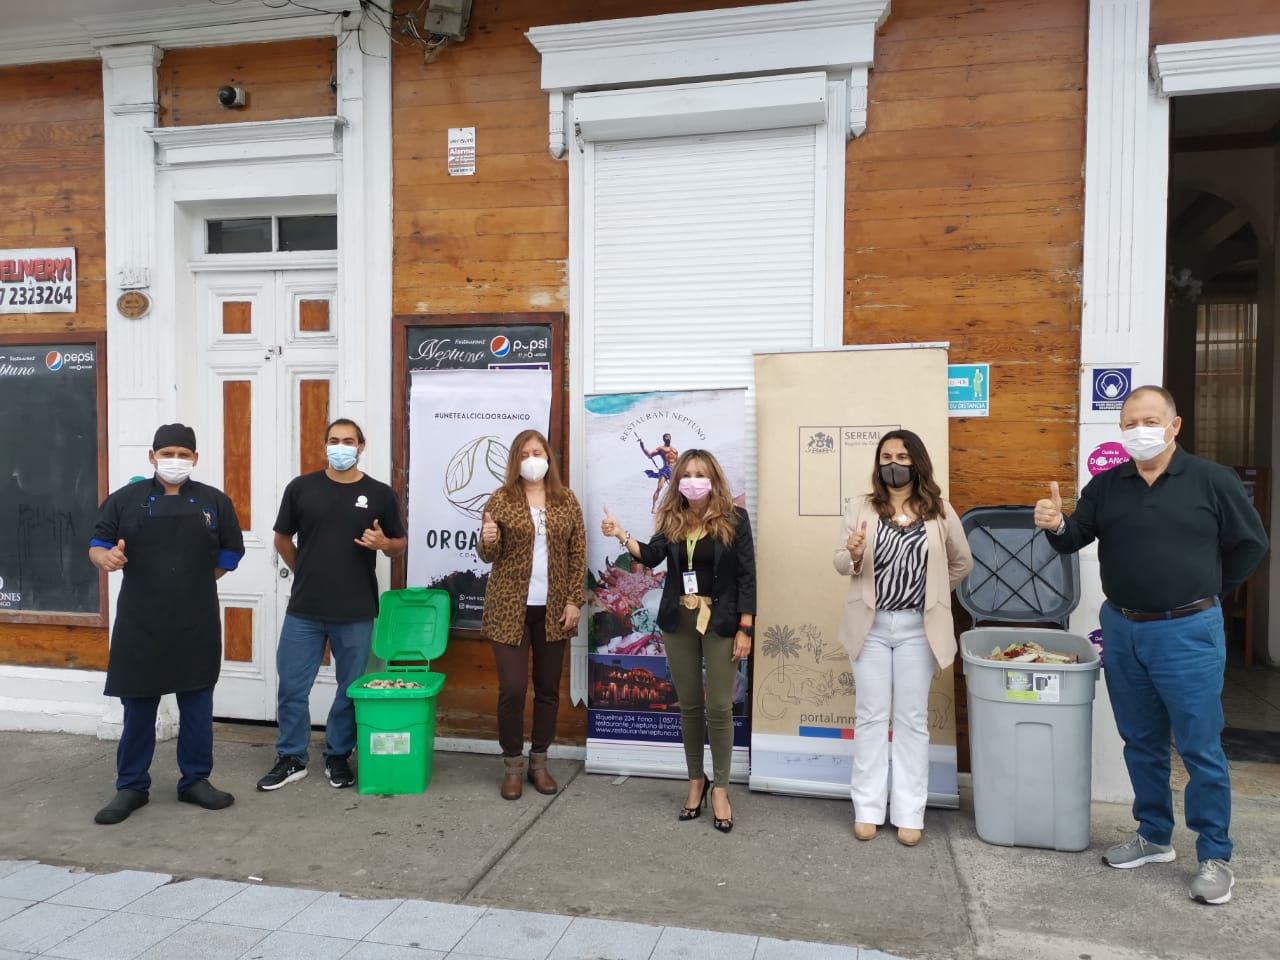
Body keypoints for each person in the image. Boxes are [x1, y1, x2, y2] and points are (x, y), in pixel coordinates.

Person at [1034, 385, 1267, 905]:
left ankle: (1214, 855)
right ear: (1121, 430)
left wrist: (1208, 592)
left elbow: (1252, 543)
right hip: (1122, 628)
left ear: (1174, 425)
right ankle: (1154, 835)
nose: (1140, 429)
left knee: (1200, 747)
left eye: (1150, 420)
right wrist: (1055, 525)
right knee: (1140, 740)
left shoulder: (1212, 480)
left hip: (1188, 631)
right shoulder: (1107, 484)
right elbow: (1075, 537)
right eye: (1130, 422)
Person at [88, 423, 244, 825]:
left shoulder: (214, 501)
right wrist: (103, 558)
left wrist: (198, 579)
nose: (175, 460)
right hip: (141, 620)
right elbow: (98, 543)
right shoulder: (125, 500)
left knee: (196, 704)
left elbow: (231, 550)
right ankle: (131, 785)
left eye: (183, 453)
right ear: (152, 456)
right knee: (138, 706)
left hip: (196, 619)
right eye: (167, 452)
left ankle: (195, 780)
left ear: (195, 458)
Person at [601, 449, 755, 833]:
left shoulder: (736, 519)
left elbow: (747, 576)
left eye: (701, 473)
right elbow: (652, 558)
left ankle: (721, 788)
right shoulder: (672, 518)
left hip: (720, 620)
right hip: (678, 620)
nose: (694, 480)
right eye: (687, 474)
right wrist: (622, 534)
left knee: (719, 707)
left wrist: (745, 628)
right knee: (689, 706)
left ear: (714, 478)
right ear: (679, 482)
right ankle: (695, 781)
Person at [833, 430, 972, 847]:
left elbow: (961, 562)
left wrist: (929, 593)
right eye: (887, 456)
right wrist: (854, 552)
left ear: (918, 462)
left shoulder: (940, 510)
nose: (894, 462)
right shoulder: (860, 506)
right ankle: (868, 809)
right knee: (871, 717)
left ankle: (910, 811)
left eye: (903, 455)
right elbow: (841, 562)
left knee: (912, 721)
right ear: (878, 463)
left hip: (917, 629)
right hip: (871, 629)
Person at [257, 418, 407, 792]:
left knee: (349, 688)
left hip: (355, 610)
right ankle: (291, 756)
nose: (342, 447)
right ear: (324, 445)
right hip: (305, 609)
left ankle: (338, 755)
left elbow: (399, 543)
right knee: (292, 686)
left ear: (362, 446)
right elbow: (280, 539)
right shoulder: (301, 488)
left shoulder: (380, 493)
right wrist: (303, 570)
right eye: (335, 440)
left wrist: (382, 544)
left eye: (349, 441)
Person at [477, 429, 586, 800]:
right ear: (515, 460)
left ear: (548, 458)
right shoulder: (502, 499)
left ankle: (539, 762)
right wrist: (488, 538)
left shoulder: (566, 499)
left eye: (537, 451)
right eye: (525, 453)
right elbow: (488, 555)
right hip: (508, 609)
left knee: (548, 689)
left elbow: (577, 553)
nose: (532, 458)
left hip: (555, 611)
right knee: (511, 689)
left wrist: (574, 601)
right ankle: (512, 763)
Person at [638, 433, 678, 512]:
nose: (668, 438)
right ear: (663, 439)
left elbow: (679, 461)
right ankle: (654, 507)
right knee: (659, 488)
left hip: (674, 470)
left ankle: (676, 506)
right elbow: (649, 455)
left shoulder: (675, 450)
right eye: (666, 437)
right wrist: (642, 447)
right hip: (666, 470)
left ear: (671, 438)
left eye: (669, 437)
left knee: (678, 489)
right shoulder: (661, 449)